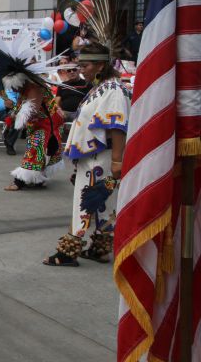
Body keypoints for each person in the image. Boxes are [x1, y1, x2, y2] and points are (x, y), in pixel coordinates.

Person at [43, 42, 131, 267]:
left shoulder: (114, 90)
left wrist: (117, 161)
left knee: (84, 201)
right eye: (80, 65)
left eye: (86, 65)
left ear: (101, 65)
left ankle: (68, 252)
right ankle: (100, 249)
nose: (82, 70)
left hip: (102, 159)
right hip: (94, 158)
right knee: (104, 203)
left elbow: (117, 126)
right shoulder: (102, 87)